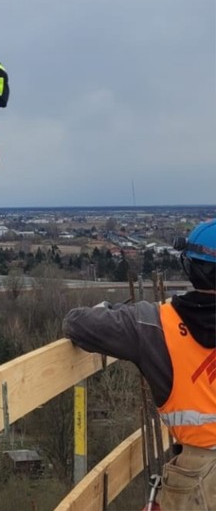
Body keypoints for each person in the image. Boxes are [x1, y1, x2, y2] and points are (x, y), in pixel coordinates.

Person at [62, 219, 216, 510]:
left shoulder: (154, 324)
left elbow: (77, 323)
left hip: (195, 479)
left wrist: (113, 311)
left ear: (191, 269)